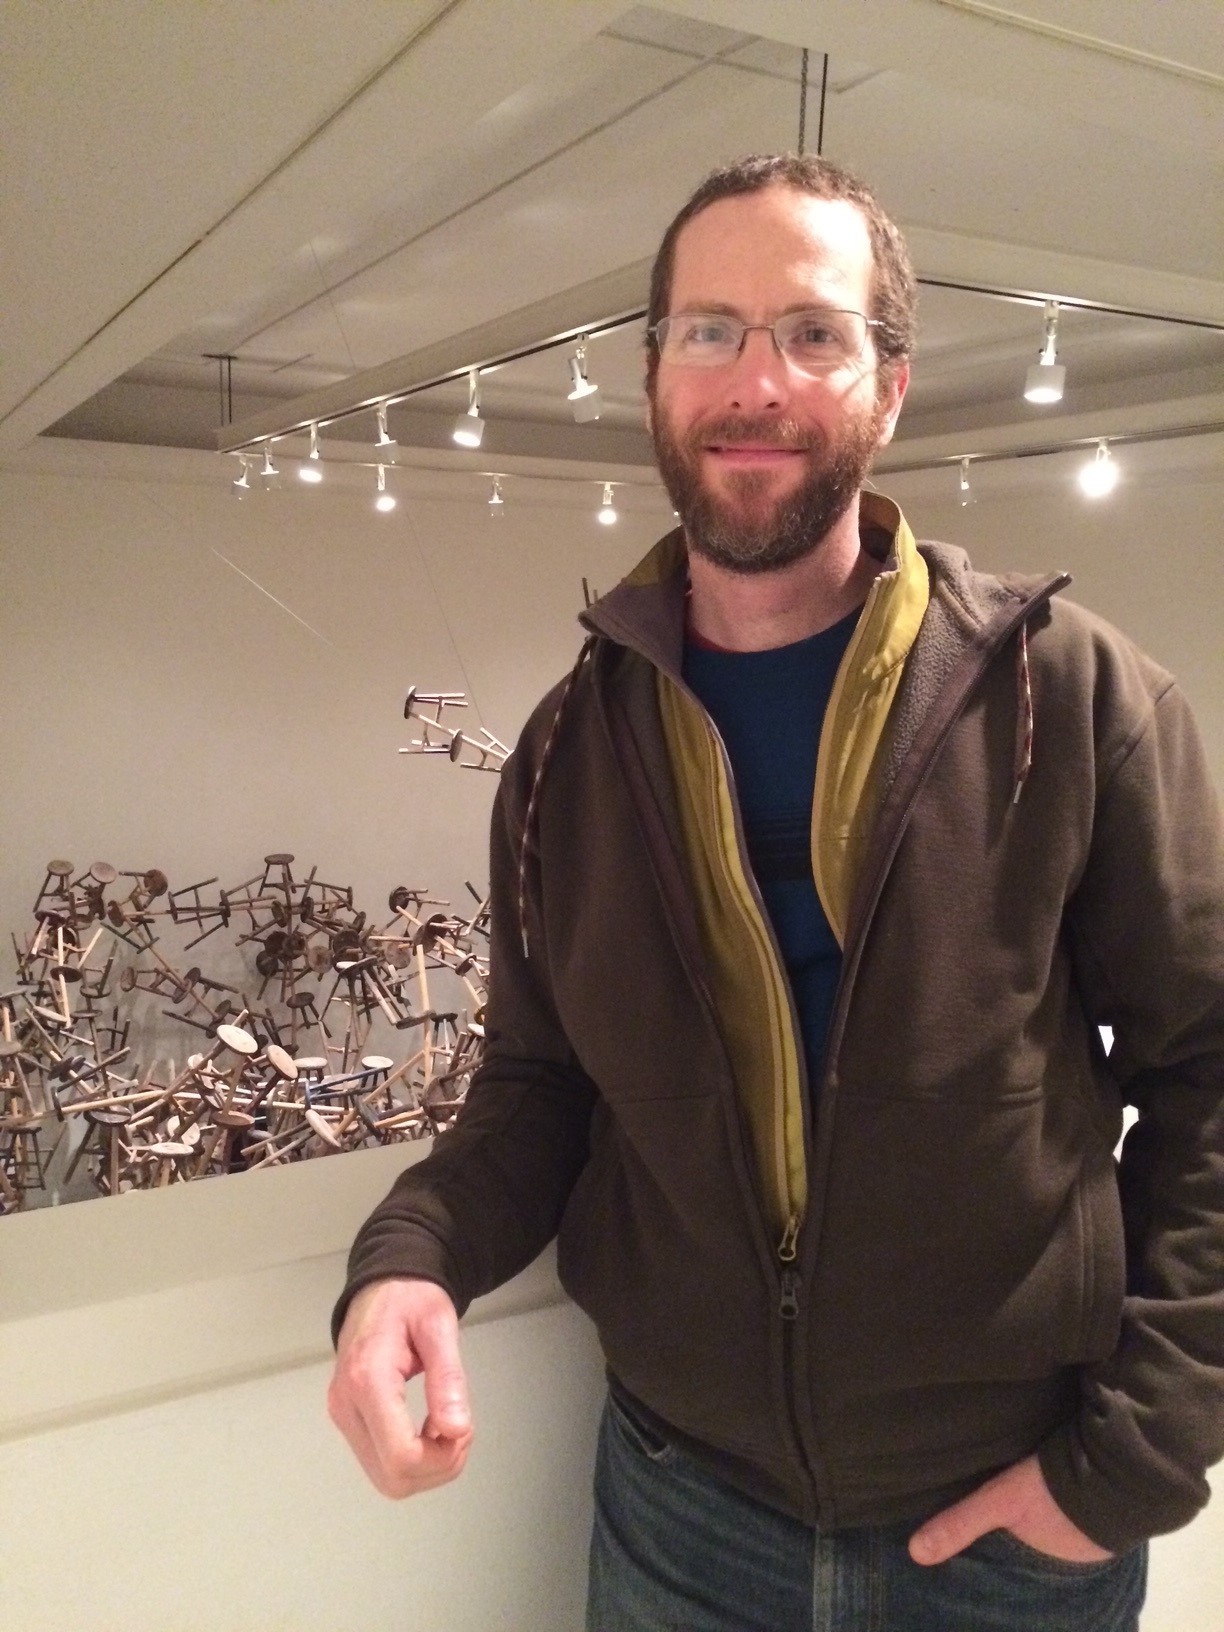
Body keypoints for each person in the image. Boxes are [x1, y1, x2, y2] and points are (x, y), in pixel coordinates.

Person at [327, 154, 1224, 1631]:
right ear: (653, 376)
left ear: (891, 379)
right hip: (681, 1516)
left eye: (812, 333)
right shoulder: (565, 751)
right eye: (709, 332)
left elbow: (1205, 1082)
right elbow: (540, 1086)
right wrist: (406, 1262)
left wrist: (1128, 1468)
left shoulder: (1071, 702)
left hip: (1008, 1536)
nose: (756, 382)